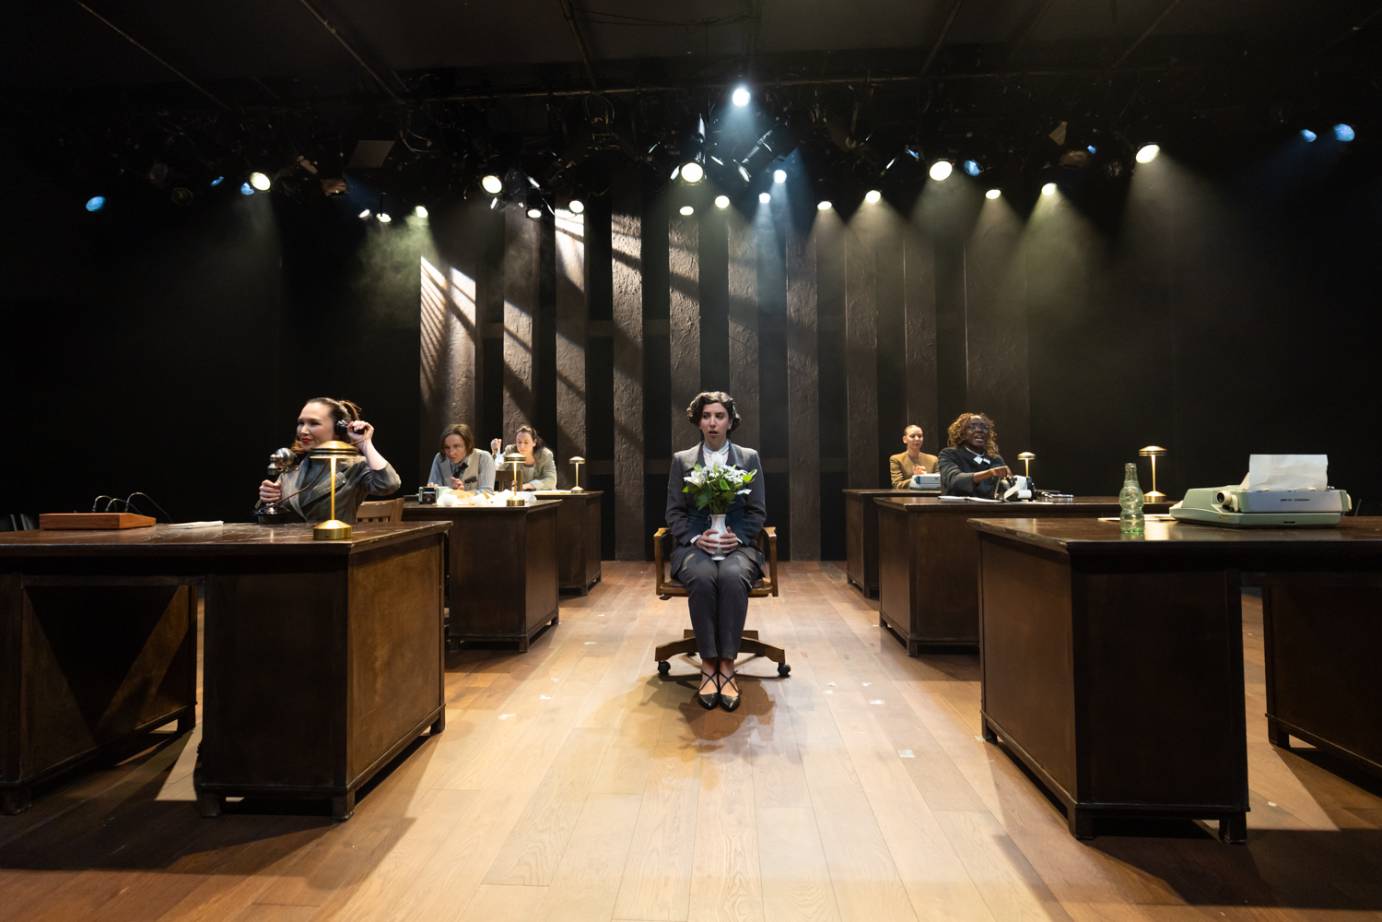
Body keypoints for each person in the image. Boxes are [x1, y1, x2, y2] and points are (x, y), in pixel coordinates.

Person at [665, 390, 767, 712]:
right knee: (704, 576)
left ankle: (727, 664)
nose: (712, 423)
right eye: (706, 416)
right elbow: (674, 514)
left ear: (730, 421)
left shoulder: (748, 458)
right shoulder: (682, 460)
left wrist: (737, 538)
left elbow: (757, 512)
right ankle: (709, 663)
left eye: (719, 416)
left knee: (733, 576)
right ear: (698, 421)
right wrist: (697, 538)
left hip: (738, 546)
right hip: (695, 547)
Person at [256, 397, 401, 523]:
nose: (303, 431)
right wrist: (269, 501)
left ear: (338, 430)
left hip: (333, 547)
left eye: (313, 423)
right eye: (301, 423)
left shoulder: (355, 466)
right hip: (291, 549)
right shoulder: (291, 469)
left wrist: (365, 443)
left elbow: (389, 485)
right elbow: (268, 523)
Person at [938, 411, 1011, 499]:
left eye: (984, 427)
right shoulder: (949, 454)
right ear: (962, 433)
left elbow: (1005, 489)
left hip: (990, 510)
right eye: (972, 427)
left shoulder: (995, 459)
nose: (979, 430)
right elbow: (955, 481)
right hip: (958, 509)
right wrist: (990, 473)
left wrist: (1011, 481)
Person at [427, 423, 495, 491]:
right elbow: (434, 490)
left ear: (468, 445)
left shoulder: (483, 458)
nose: (451, 453)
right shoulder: (440, 458)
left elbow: (487, 493)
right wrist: (432, 490)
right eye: (447, 447)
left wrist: (462, 494)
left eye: (456, 446)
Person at [489, 425, 557, 491]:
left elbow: (551, 480)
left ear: (534, 442)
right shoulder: (511, 451)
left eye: (526, 442)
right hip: (516, 497)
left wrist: (528, 486)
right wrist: (496, 453)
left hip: (541, 497)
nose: (522, 446)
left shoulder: (545, 455)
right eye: (519, 442)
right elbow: (497, 470)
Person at [889, 424, 939, 488]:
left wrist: (924, 478)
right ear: (904, 439)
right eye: (912, 436)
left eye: (920, 436)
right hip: (906, 497)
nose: (917, 439)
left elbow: (940, 482)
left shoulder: (933, 459)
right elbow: (897, 484)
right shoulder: (896, 459)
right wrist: (916, 478)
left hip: (929, 496)